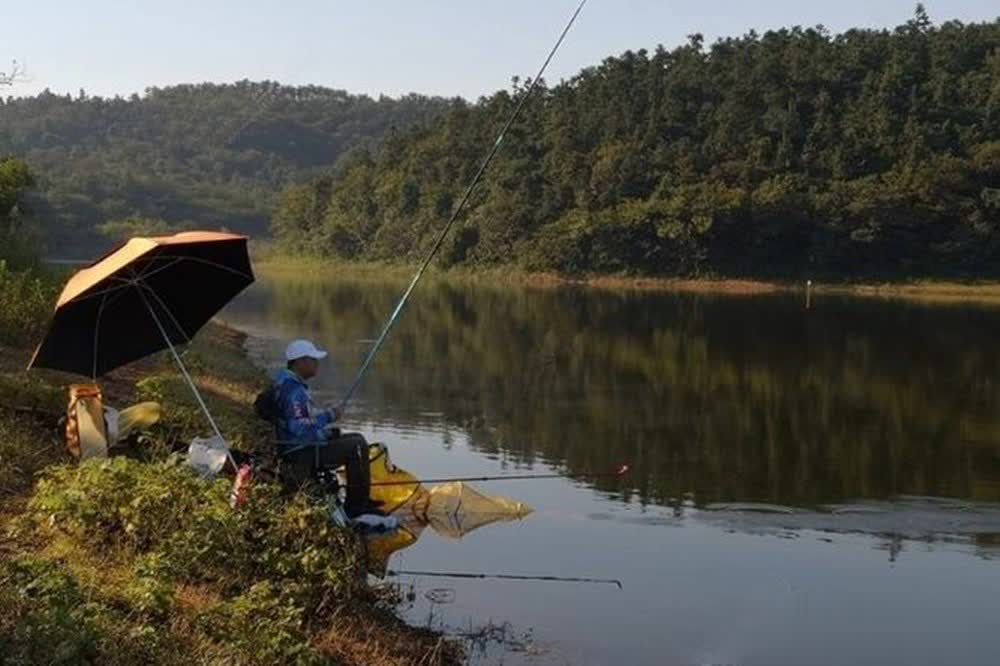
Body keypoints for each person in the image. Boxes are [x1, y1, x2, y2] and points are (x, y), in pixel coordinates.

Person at [273, 338, 381, 517]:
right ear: (300, 362)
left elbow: (300, 423)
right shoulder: (293, 391)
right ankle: (356, 506)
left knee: (356, 438)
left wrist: (325, 432)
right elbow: (300, 428)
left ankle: (361, 499)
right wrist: (328, 416)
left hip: (298, 444)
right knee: (356, 446)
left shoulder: (287, 383)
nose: (317, 364)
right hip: (301, 452)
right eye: (313, 360)